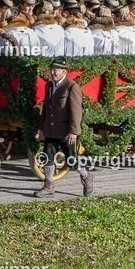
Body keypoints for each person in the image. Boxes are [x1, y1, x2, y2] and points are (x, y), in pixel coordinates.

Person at [34, 59, 92, 198]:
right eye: (52, 70)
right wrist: (42, 128)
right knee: (47, 157)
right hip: (50, 130)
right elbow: (46, 109)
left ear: (64, 72)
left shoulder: (71, 87)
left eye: (57, 70)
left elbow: (76, 111)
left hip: (65, 132)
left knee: (71, 160)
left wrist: (73, 131)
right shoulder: (49, 85)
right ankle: (48, 186)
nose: (53, 72)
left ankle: (86, 177)